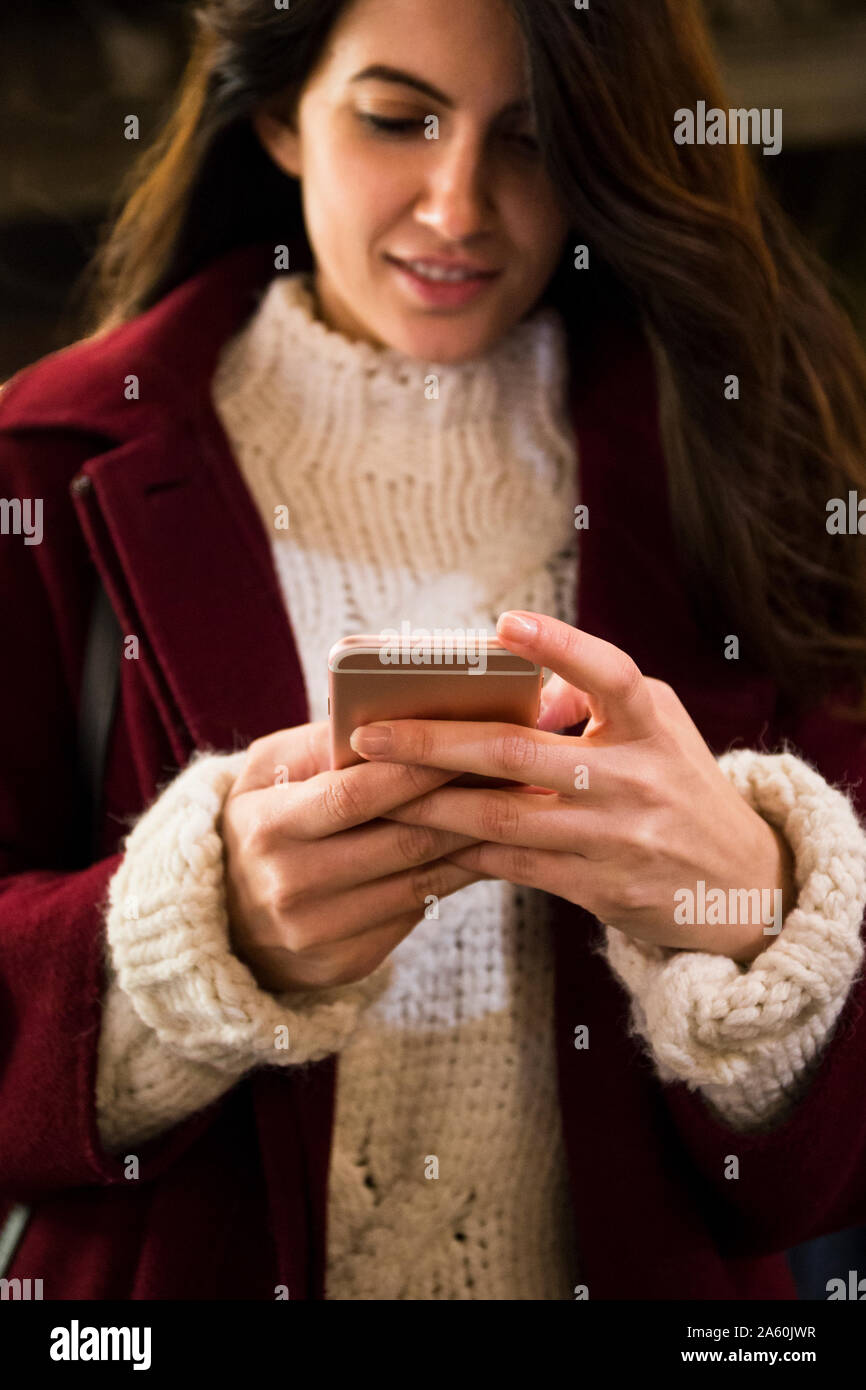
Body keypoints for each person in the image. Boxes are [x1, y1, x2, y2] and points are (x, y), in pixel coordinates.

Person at [1, 0, 866, 1302]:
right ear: (283, 115)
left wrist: (751, 910)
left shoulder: (750, 467)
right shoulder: (46, 458)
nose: (457, 205)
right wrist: (191, 938)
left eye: (529, 139)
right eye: (396, 117)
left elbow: (818, 1182)